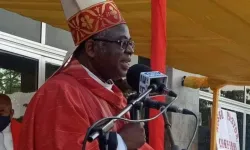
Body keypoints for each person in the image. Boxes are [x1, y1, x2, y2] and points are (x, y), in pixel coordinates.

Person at [18, 0, 153, 150]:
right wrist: (121, 143)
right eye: (122, 42)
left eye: (130, 43)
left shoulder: (113, 97)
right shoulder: (60, 92)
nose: (130, 51)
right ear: (91, 48)